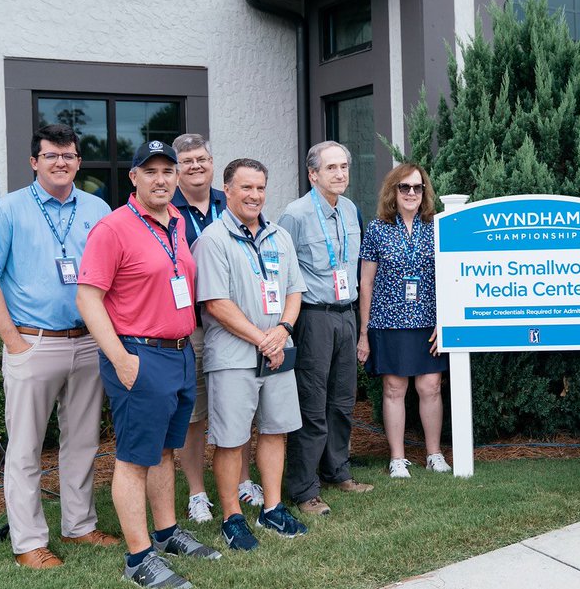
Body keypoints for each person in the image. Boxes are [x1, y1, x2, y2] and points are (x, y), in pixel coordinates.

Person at [0, 123, 117, 569]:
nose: (61, 162)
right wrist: (13, 342)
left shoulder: (97, 208)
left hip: (89, 342)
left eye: (69, 155)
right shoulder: (8, 210)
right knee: (25, 449)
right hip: (34, 343)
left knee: (83, 443)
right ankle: (29, 542)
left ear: (78, 161)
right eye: (52, 155)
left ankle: (79, 526)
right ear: (35, 161)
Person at [77, 140, 220, 589]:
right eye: (151, 171)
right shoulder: (113, 228)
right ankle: (138, 559)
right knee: (134, 458)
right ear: (134, 178)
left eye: (168, 171)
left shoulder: (176, 221)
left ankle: (166, 532)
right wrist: (120, 358)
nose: (161, 179)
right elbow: (87, 297)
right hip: (138, 354)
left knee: (163, 451)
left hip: (178, 352)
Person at [193, 158, 309, 550]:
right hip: (234, 357)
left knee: (276, 430)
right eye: (246, 188)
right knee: (231, 439)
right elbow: (215, 303)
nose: (255, 195)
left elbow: (294, 290)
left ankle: (272, 508)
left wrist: (282, 331)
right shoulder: (212, 240)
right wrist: (263, 338)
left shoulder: (280, 236)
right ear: (227, 190)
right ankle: (232, 516)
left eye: (260, 187)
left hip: (279, 352)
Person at [170, 133, 261, 524]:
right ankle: (196, 492)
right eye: (187, 160)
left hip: (233, 324)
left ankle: (242, 481)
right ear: (176, 168)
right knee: (194, 414)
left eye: (202, 159)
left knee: (237, 408)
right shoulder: (166, 209)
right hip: (190, 326)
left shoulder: (231, 203)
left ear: (212, 163)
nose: (195, 166)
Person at [280, 141, 373, 518]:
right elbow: (283, 270)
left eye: (344, 167)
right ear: (312, 174)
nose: (340, 174)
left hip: (345, 314)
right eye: (331, 168)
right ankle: (304, 488)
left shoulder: (350, 209)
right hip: (313, 317)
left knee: (342, 401)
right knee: (312, 405)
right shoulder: (295, 214)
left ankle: (338, 472)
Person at [358, 163, 450, 479]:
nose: (411, 193)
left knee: (431, 387)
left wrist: (446, 321)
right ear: (393, 191)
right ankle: (398, 459)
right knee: (394, 388)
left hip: (428, 321)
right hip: (388, 321)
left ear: (424, 192)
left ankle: (434, 453)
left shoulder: (437, 227)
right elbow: (366, 282)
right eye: (404, 187)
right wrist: (364, 333)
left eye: (417, 187)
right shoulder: (377, 229)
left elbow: (450, 279)